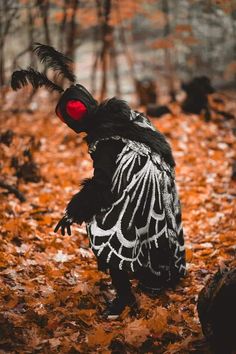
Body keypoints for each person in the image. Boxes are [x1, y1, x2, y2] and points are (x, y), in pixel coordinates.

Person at [11, 43, 186, 320]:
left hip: (145, 183)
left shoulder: (103, 141)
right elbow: (157, 143)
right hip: (162, 177)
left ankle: (124, 296)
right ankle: (156, 274)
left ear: (73, 123)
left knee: (102, 227)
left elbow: (103, 186)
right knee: (151, 224)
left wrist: (74, 212)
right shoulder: (126, 116)